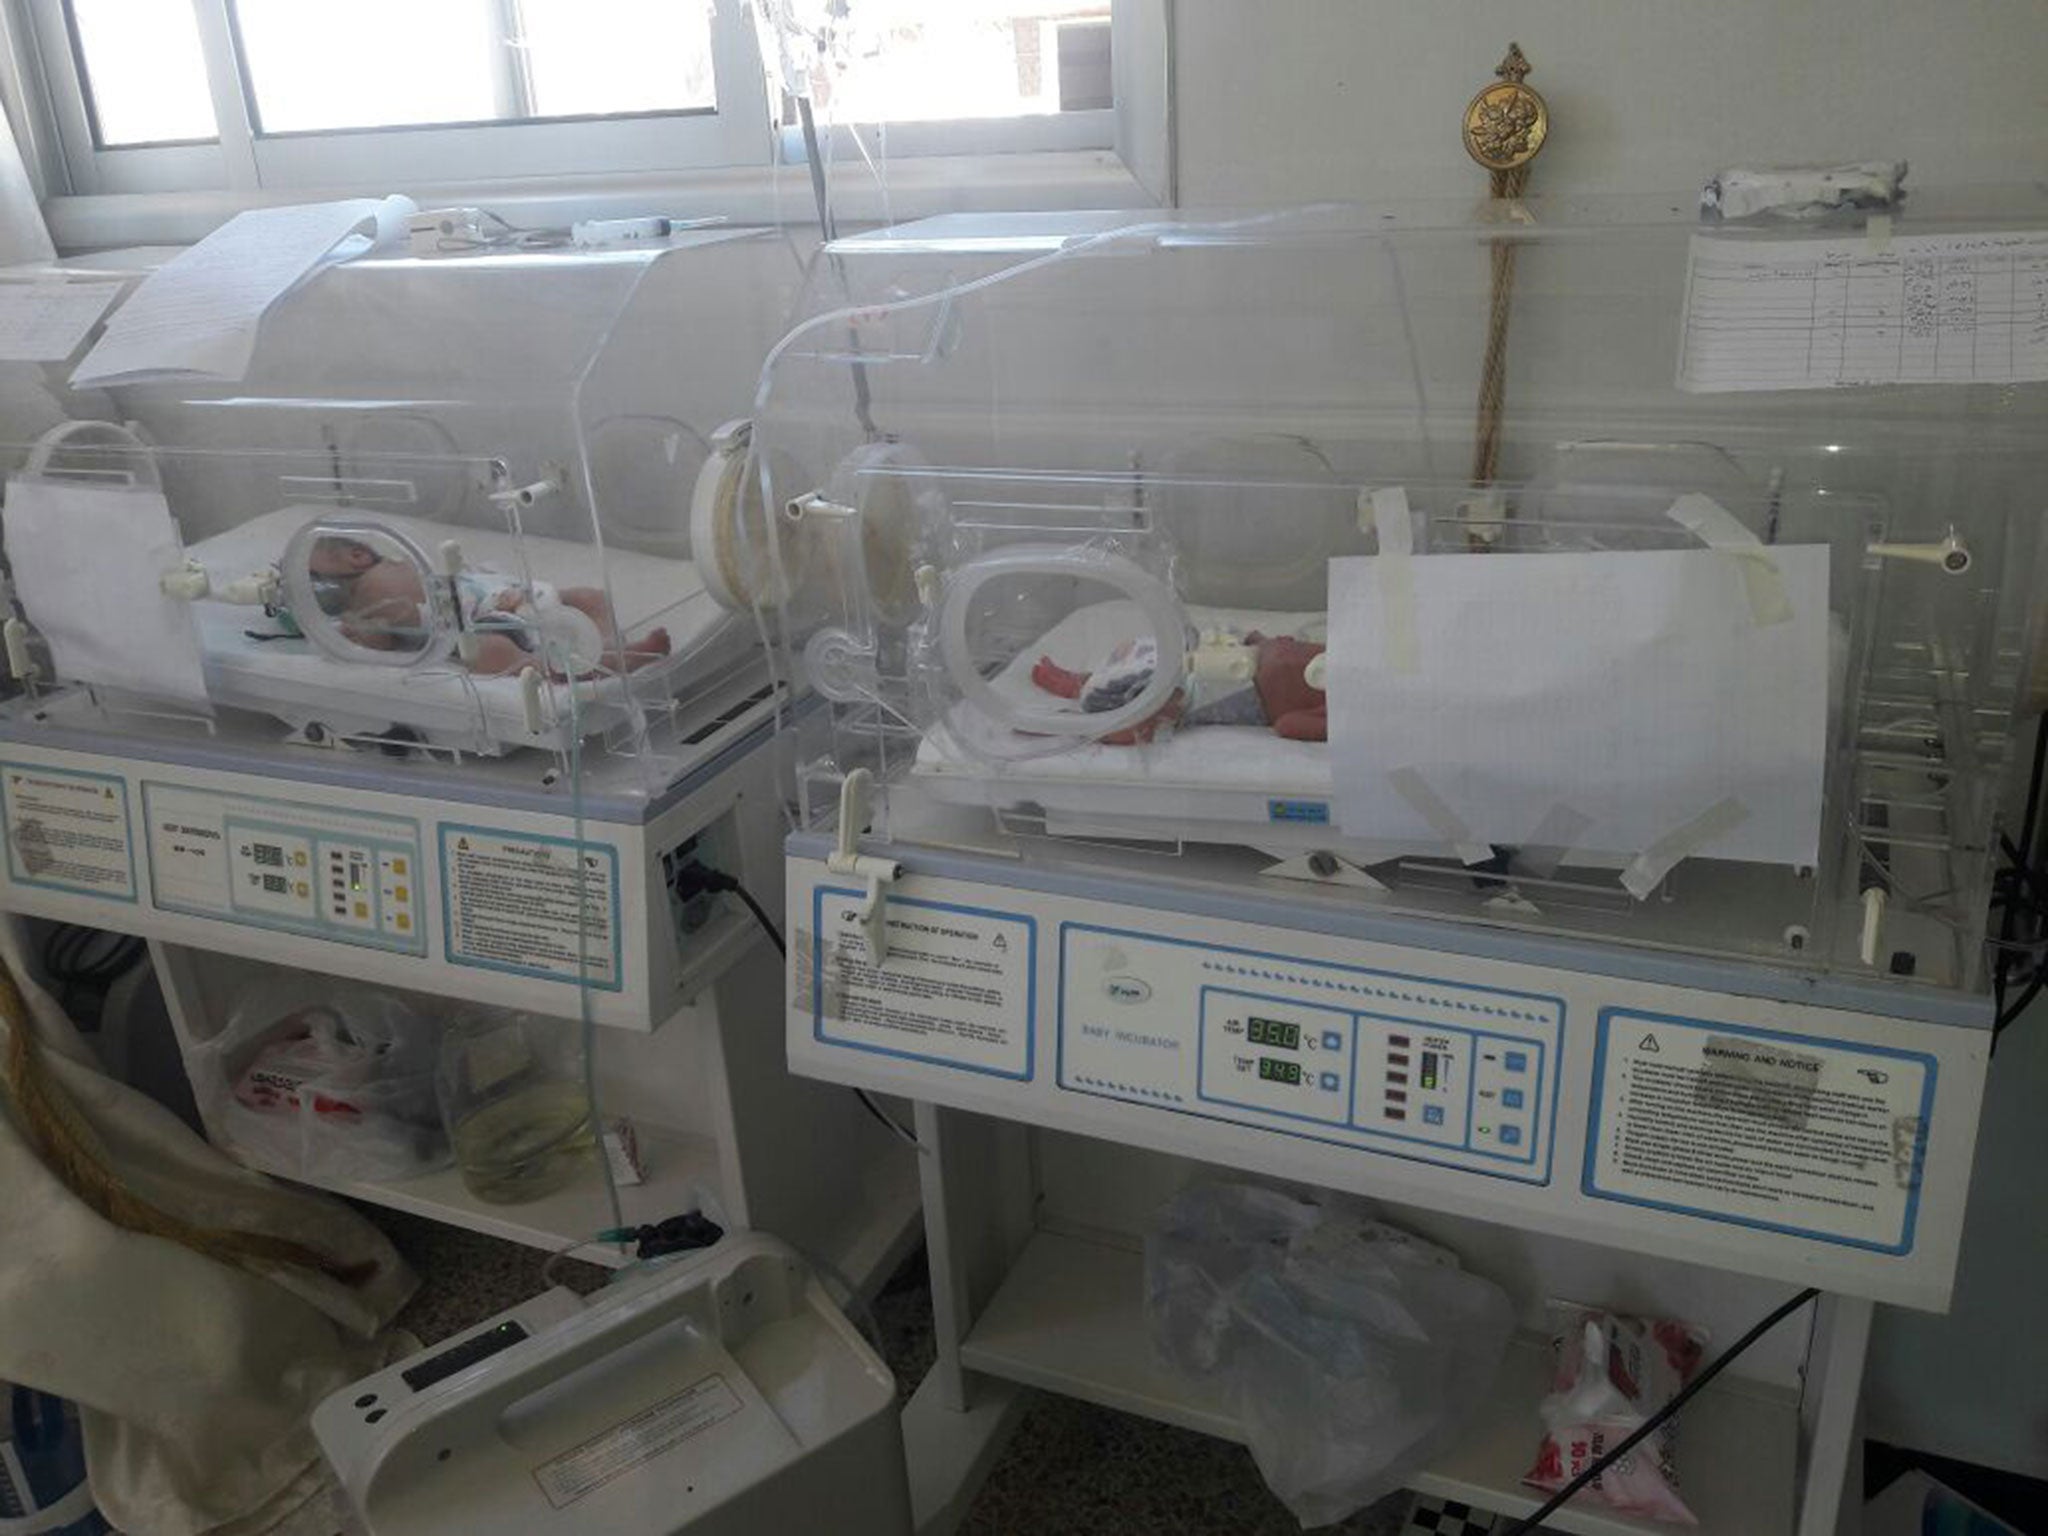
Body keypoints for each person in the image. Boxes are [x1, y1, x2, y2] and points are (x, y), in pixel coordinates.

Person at [305, 535, 669, 679]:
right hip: (481, 626)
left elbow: (460, 576)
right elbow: (387, 642)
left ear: (358, 555)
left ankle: (603, 643)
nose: (311, 587)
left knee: (589, 597)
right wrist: (364, 636)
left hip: (510, 597)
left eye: (311, 576)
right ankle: (597, 665)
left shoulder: (377, 577)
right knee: (494, 653)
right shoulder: (357, 607)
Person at [1030, 629, 1326, 744]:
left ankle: (1080, 728)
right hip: (1221, 658)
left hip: (1221, 693)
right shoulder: (1355, 650)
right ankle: (1083, 682)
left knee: (1147, 716)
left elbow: (1288, 724)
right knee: (1144, 659)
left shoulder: (1353, 705)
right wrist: (1263, 643)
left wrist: (1331, 725)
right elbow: (1288, 647)